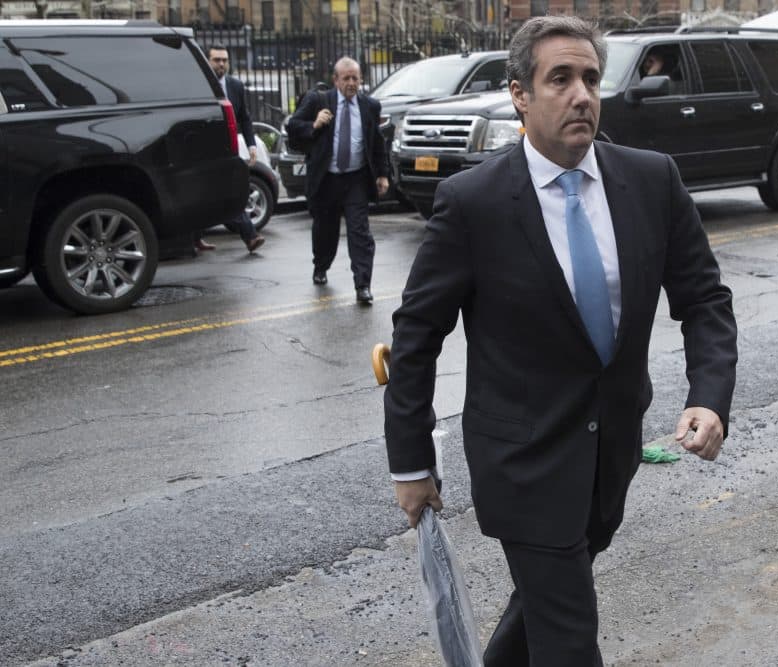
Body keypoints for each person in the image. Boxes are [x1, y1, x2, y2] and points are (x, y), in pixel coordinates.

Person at [383, 15, 738, 666]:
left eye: (592, 79)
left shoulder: (652, 180)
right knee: (568, 635)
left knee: (545, 602)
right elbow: (417, 336)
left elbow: (704, 299)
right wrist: (411, 463)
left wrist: (708, 395)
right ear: (520, 93)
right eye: (561, 79)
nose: (582, 94)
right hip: (521, 463)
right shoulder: (474, 202)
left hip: (610, 459)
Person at [285, 57, 389, 303]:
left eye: (356, 78)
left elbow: (377, 142)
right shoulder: (318, 100)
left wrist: (383, 174)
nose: (352, 83)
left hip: (356, 179)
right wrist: (314, 123)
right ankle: (321, 265)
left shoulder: (370, 106)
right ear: (336, 80)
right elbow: (293, 126)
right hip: (327, 179)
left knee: (359, 232)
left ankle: (363, 285)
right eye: (347, 78)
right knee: (325, 230)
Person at [207, 45, 265, 254]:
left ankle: (194, 240)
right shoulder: (202, 84)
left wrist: (251, 145)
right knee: (222, 193)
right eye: (216, 60)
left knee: (227, 192)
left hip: (229, 150)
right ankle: (250, 236)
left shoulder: (235, 86)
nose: (221, 64)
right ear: (208, 61)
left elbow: (245, 118)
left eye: (224, 60)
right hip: (206, 151)